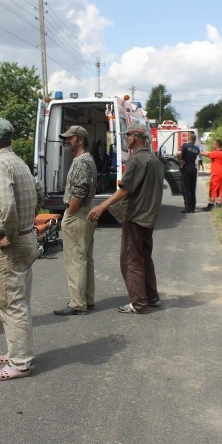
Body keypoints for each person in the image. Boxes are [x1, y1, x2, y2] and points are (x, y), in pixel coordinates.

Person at [0, 117, 42, 380]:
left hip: (14, 242)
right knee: (20, 299)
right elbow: (38, 191)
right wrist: (27, 224)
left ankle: (19, 362)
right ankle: (17, 350)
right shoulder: (18, 162)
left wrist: (10, 235)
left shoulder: (0, 166)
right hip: (28, 235)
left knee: (10, 302)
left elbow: (6, 206)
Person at [88, 123, 164, 314]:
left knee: (132, 261)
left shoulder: (137, 160)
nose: (126, 139)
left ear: (136, 137)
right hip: (149, 217)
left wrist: (102, 206)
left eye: (128, 136)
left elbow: (125, 190)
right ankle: (152, 297)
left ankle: (138, 303)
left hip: (136, 217)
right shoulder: (154, 160)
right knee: (145, 258)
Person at [53, 125, 97, 316]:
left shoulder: (80, 162)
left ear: (79, 140)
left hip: (77, 214)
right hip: (85, 212)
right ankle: (87, 298)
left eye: (69, 138)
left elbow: (78, 192)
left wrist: (69, 214)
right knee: (85, 257)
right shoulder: (87, 159)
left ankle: (77, 303)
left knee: (75, 259)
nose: (66, 141)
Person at [177, 132, 200, 213]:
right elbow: (197, 155)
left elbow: (179, 153)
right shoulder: (197, 148)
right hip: (193, 169)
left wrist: (180, 160)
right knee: (192, 188)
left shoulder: (185, 146)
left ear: (188, 139)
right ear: (194, 140)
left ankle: (188, 208)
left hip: (186, 168)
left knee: (186, 189)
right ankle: (193, 208)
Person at [201, 139, 222, 211]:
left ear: (217, 145)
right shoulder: (221, 152)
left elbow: (207, 154)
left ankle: (211, 204)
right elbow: (210, 153)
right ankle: (219, 202)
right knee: (220, 188)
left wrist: (199, 152)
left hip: (216, 173)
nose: (213, 145)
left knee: (213, 188)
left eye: (214, 144)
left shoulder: (216, 152)